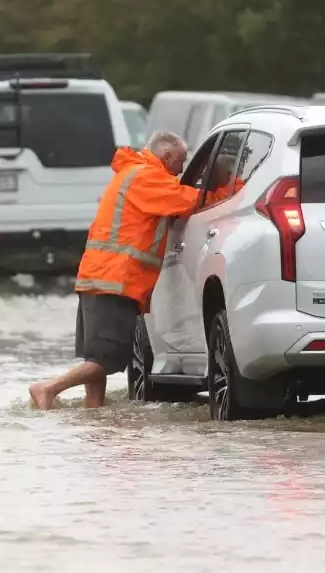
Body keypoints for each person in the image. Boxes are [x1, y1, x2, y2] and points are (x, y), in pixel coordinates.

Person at [29, 131, 203, 410]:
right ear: (167, 156)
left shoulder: (132, 173)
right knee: (108, 359)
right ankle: (49, 388)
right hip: (117, 280)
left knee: (95, 357)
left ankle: (93, 409)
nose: (182, 169)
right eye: (181, 161)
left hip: (97, 279)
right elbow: (190, 200)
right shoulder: (147, 176)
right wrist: (234, 188)